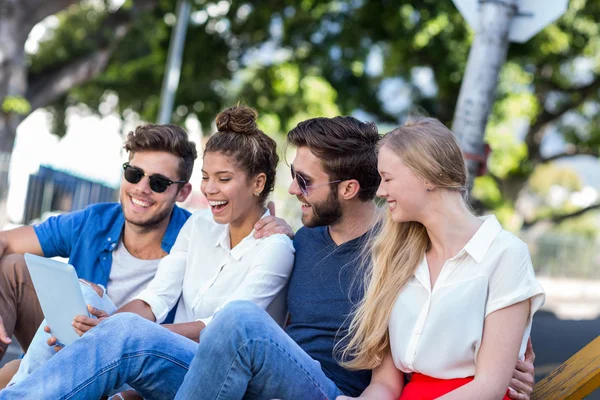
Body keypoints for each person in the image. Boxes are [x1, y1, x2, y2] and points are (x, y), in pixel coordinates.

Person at [0, 116, 536, 400]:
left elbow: (454, 324)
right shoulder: (291, 240)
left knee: (232, 319)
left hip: (323, 388)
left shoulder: (397, 250)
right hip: (248, 373)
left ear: (349, 188)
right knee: (116, 329)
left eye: (304, 181)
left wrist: (514, 361)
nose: (295, 190)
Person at [0, 105, 295, 398]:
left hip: (216, 373)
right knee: (85, 295)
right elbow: (156, 297)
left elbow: (221, 329)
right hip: (155, 351)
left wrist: (121, 334)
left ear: (258, 183)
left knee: (110, 339)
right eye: (206, 177)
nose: (209, 189)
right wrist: (104, 326)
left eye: (224, 179)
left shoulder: (274, 248)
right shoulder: (200, 227)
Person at [336, 118, 545, 400]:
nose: (381, 192)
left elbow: (489, 388)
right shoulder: (397, 258)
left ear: (427, 175)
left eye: (387, 178)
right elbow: (385, 384)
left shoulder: (505, 254)